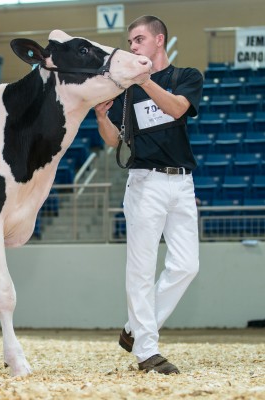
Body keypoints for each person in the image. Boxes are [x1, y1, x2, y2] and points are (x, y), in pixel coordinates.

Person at [95, 16, 202, 374]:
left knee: (187, 265)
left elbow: (176, 109)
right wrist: (101, 118)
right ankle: (147, 351)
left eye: (139, 39)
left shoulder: (187, 77)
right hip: (145, 182)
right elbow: (115, 141)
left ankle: (133, 328)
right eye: (130, 41)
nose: (133, 46)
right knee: (141, 269)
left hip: (182, 182)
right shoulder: (126, 90)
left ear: (159, 40)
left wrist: (145, 80)